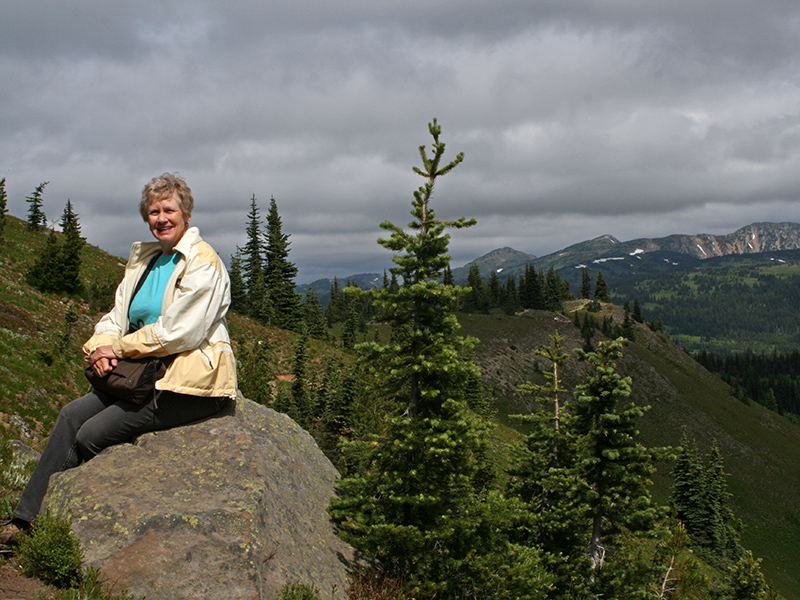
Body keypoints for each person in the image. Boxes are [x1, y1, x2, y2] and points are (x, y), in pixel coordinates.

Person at [0, 173, 237, 546]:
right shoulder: (146, 262)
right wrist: (100, 347)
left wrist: (120, 349)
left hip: (188, 382)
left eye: (169, 210)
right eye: (154, 211)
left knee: (92, 434)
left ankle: (85, 523)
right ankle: (25, 522)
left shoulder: (203, 262)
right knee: (69, 416)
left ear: (186, 213)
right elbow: (116, 317)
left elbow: (181, 332)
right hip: (143, 373)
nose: (161, 218)